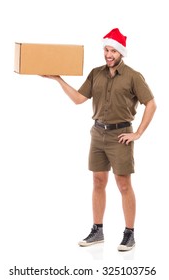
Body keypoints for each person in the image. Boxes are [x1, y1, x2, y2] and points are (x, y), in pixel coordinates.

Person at [42, 28, 156, 251]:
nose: (109, 54)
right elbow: (78, 99)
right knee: (98, 182)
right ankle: (98, 231)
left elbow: (151, 104)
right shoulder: (96, 73)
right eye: (106, 49)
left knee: (123, 185)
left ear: (121, 53)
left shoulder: (133, 76)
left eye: (113, 50)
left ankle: (129, 234)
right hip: (97, 133)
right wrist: (58, 79)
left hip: (120, 136)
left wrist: (138, 133)